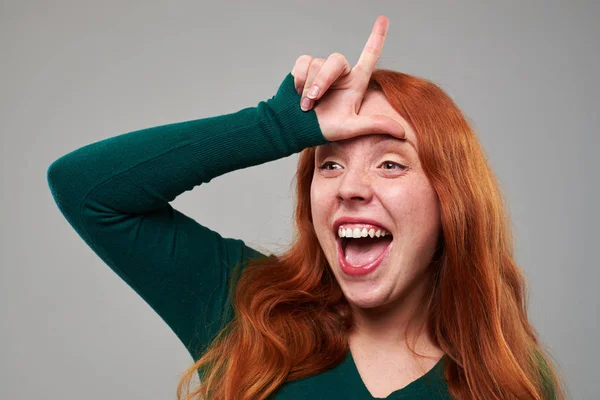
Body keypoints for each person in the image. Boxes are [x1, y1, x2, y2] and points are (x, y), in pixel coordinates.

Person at [47, 15, 564, 400]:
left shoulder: (506, 379)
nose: (350, 188)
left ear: (451, 198)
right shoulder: (247, 309)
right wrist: (276, 127)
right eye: (330, 165)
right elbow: (86, 189)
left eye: (391, 165)